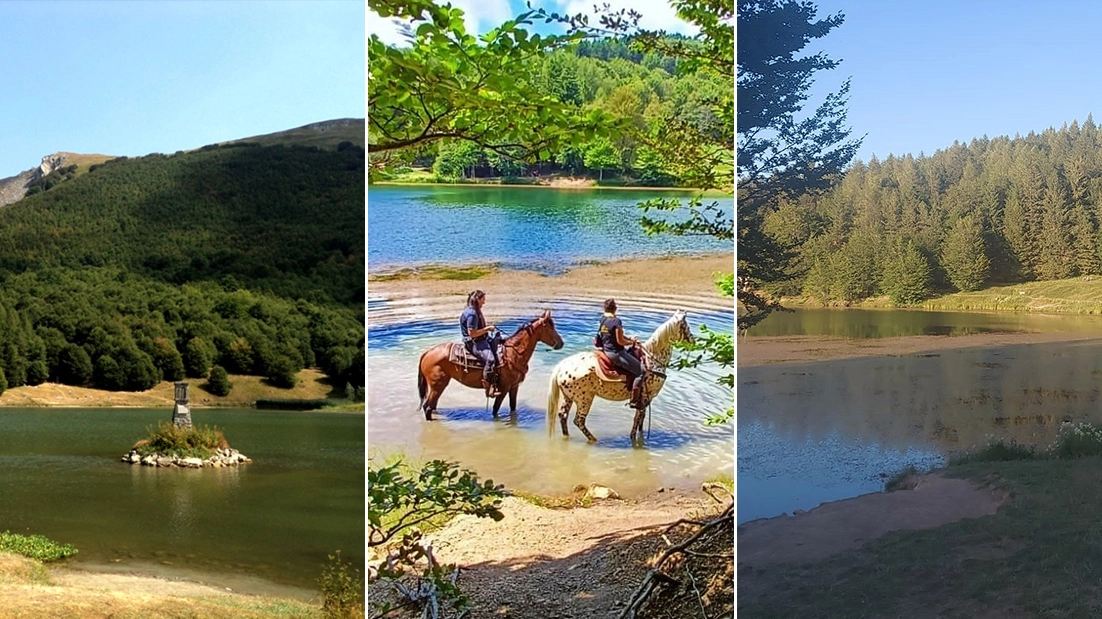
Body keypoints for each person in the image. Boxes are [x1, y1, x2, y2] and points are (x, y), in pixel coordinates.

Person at [597, 298, 645, 408]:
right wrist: (631, 342)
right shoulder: (616, 321)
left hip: (605, 350)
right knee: (641, 371)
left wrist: (630, 339)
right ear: (615, 309)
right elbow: (620, 341)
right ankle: (634, 401)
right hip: (615, 353)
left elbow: (614, 336)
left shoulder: (602, 319)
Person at [460, 290, 501, 397]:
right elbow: (472, 333)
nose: (484, 302)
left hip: (480, 339)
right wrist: (487, 329)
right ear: (478, 299)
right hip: (474, 343)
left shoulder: (473, 310)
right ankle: (489, 388)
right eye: (483, 299)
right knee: (490, 359)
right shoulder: (472, 314)